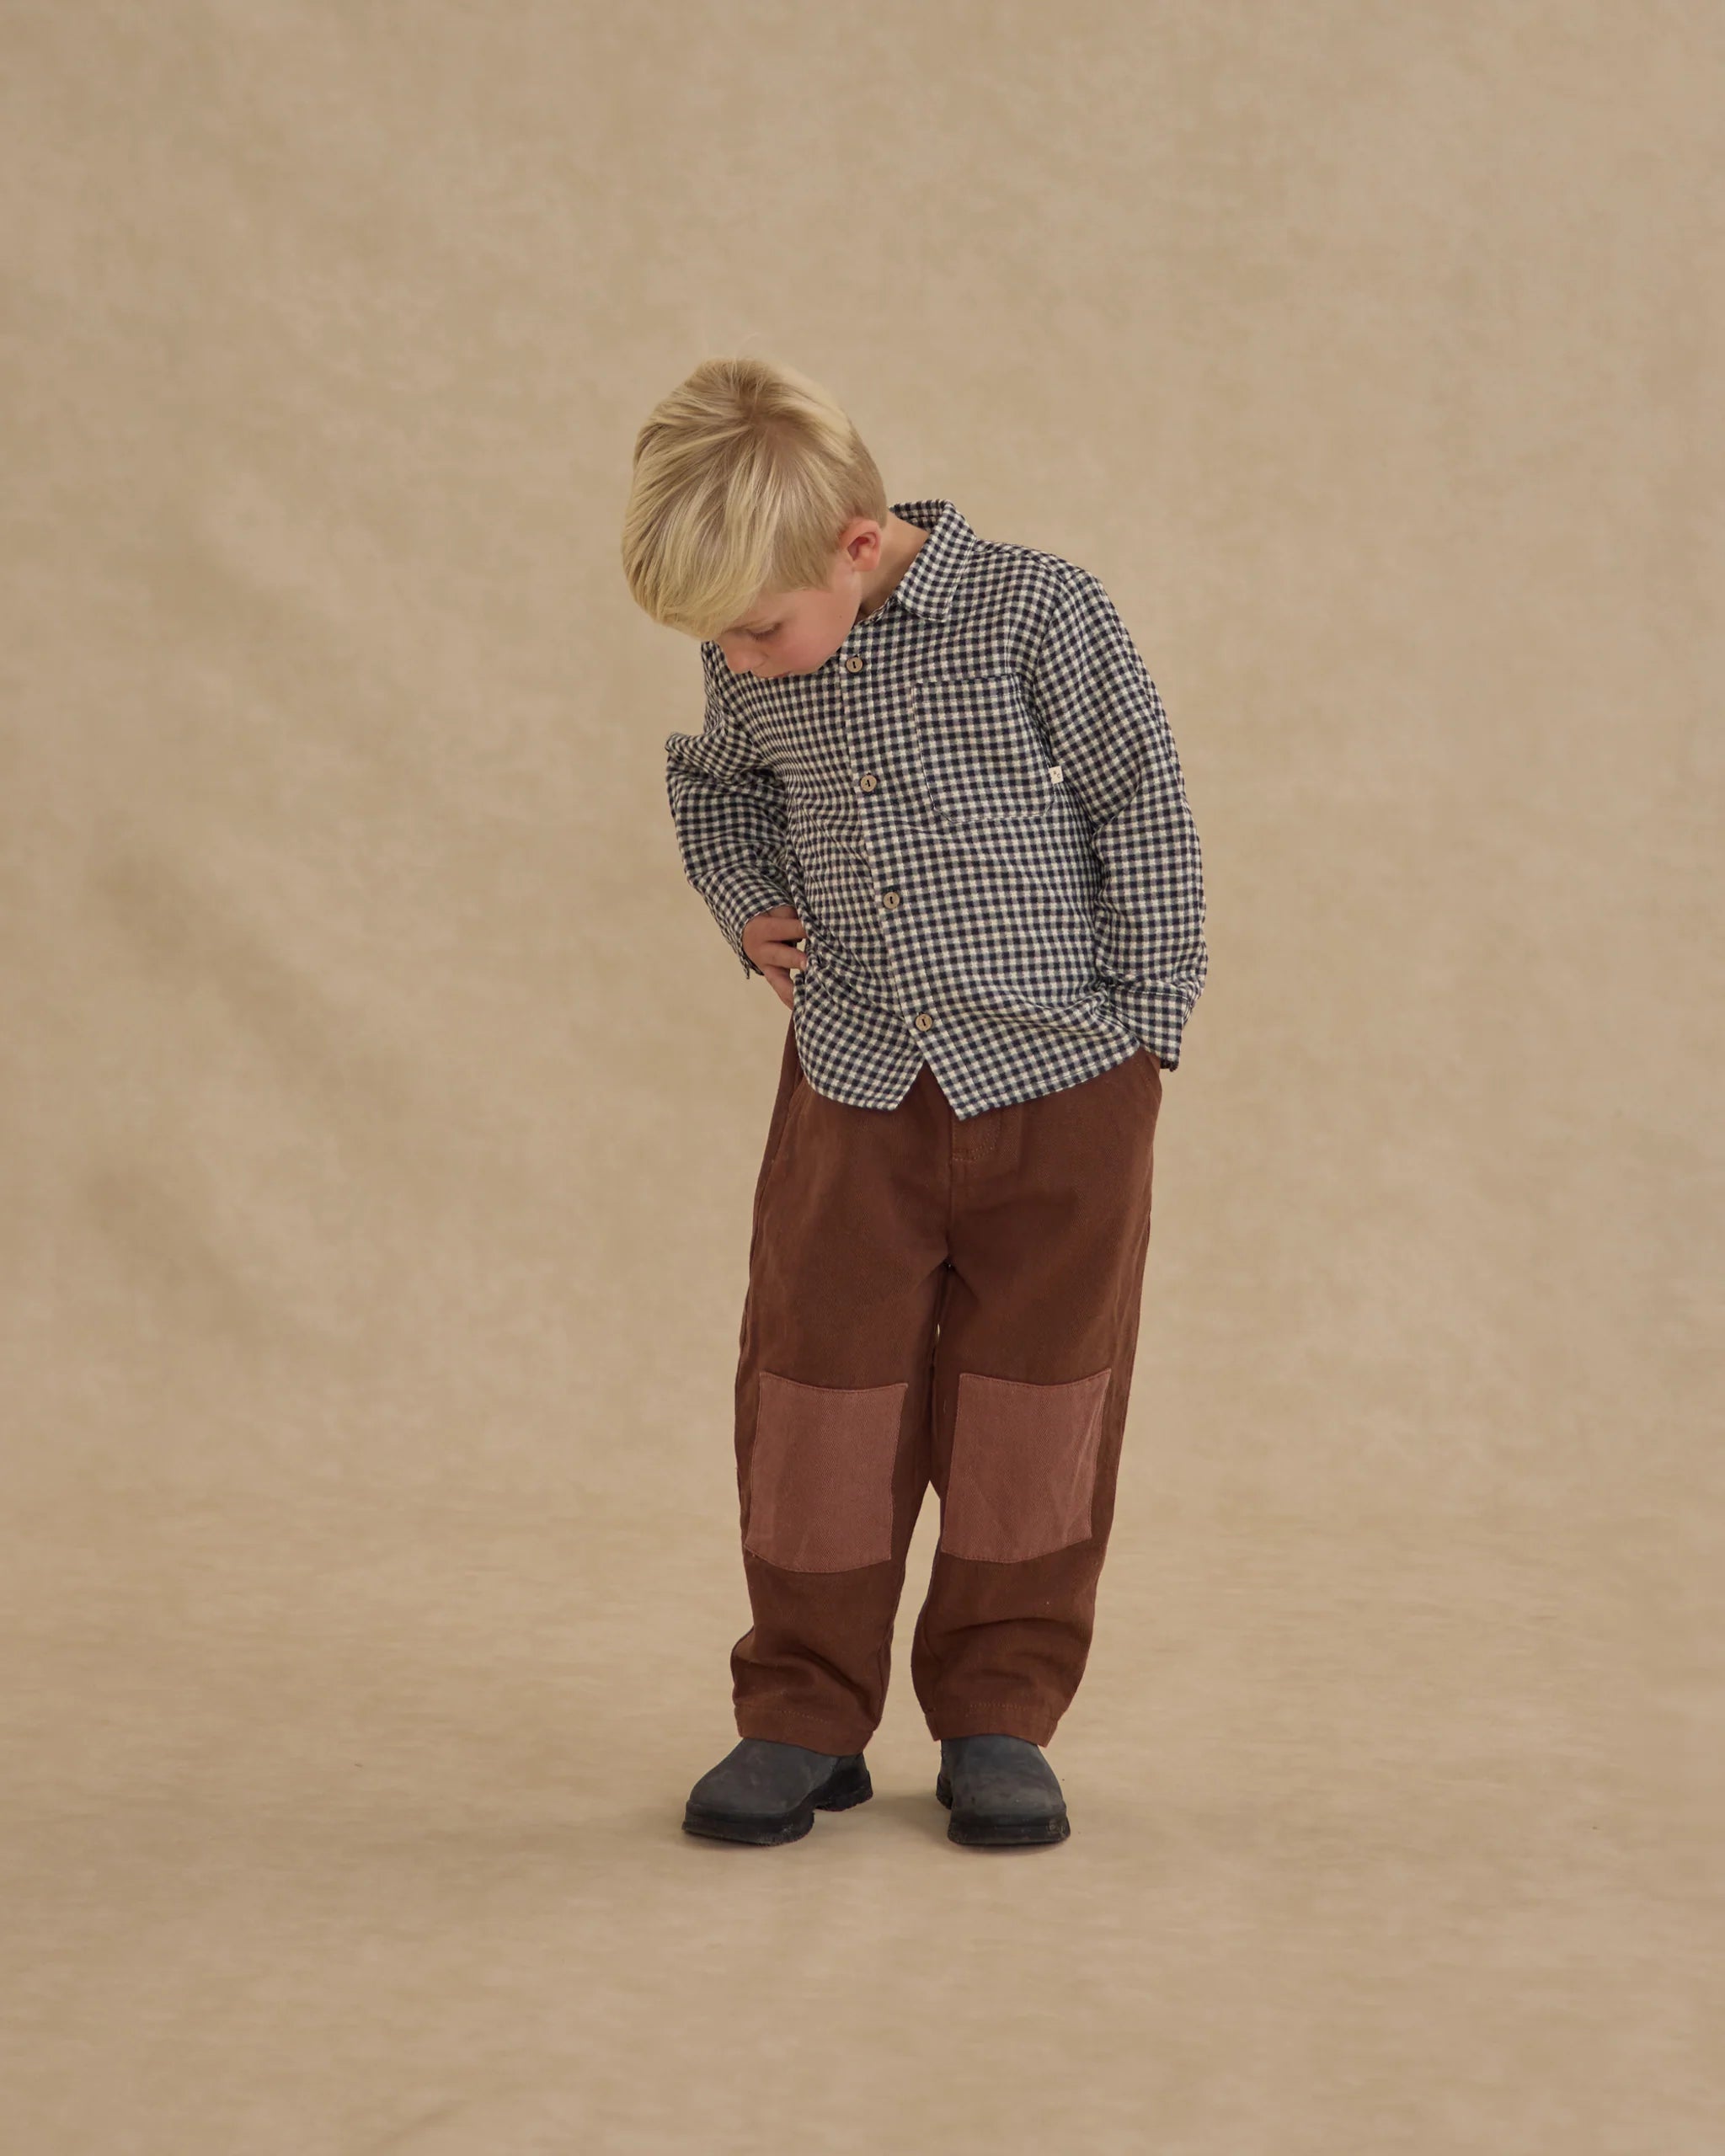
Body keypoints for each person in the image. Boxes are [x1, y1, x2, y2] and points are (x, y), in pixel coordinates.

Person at [621, 355, 1207, 1849]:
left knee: (1036, 1401)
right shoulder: (755, 654)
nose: (741, 661)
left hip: (1063, 1087)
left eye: (758, 629)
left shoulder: (1037, 613)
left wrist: (1145, 1030)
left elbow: (1142, 806)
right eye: (719, 641)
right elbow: (718, 787)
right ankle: (802, 1716)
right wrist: (747, 907)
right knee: (814, 1396)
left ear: (857, 544)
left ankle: (999, 1713)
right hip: (856, 1085)